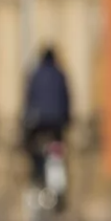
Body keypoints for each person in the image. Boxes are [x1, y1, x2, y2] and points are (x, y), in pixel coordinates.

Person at [22, 46, 72, 193]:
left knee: (32, 147)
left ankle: (37, 174)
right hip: (57, 122)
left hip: (39, 122)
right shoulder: (60, 74)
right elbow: (66, 99)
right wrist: (67, 120)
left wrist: (26, 123)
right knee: (58, 146)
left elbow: (29, 99)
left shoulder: (35, 75)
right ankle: (59, 185)